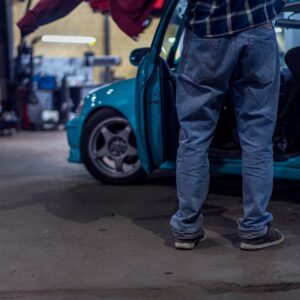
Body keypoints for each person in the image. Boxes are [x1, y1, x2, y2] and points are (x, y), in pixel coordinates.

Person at [170, 0, 288, 251]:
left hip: (205, 32)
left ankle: (187, 228)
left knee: (194, 135)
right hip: (257, 25)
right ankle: (255, 228)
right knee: (257, 134)